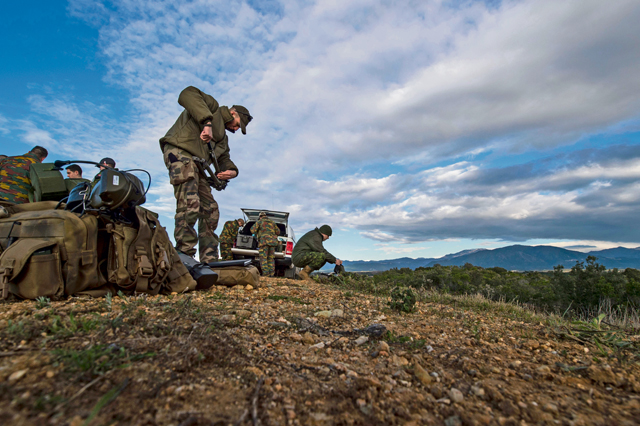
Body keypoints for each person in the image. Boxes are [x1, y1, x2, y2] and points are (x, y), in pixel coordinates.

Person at [159, 86, 252, 264]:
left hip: (199, 167)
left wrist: (232, 171)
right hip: (180, 153)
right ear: (233, 113)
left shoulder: (223, 139)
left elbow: (224, 158)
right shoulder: (212, 107)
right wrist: (207, 123)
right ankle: (183, 255)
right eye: (237, 124)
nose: (235, 129)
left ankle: (209, 261)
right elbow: (186, 93)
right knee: (190, 202)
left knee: (210, 210)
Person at [251, 212, 279, 277]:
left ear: (260, 217)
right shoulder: (273, 222)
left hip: (264, 242)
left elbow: (252, 230)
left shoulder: (259, 221)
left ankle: (266, 274)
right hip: (272, 243)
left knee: (263, 258)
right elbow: (278, 232)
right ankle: (271, 274)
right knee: (271, 258)